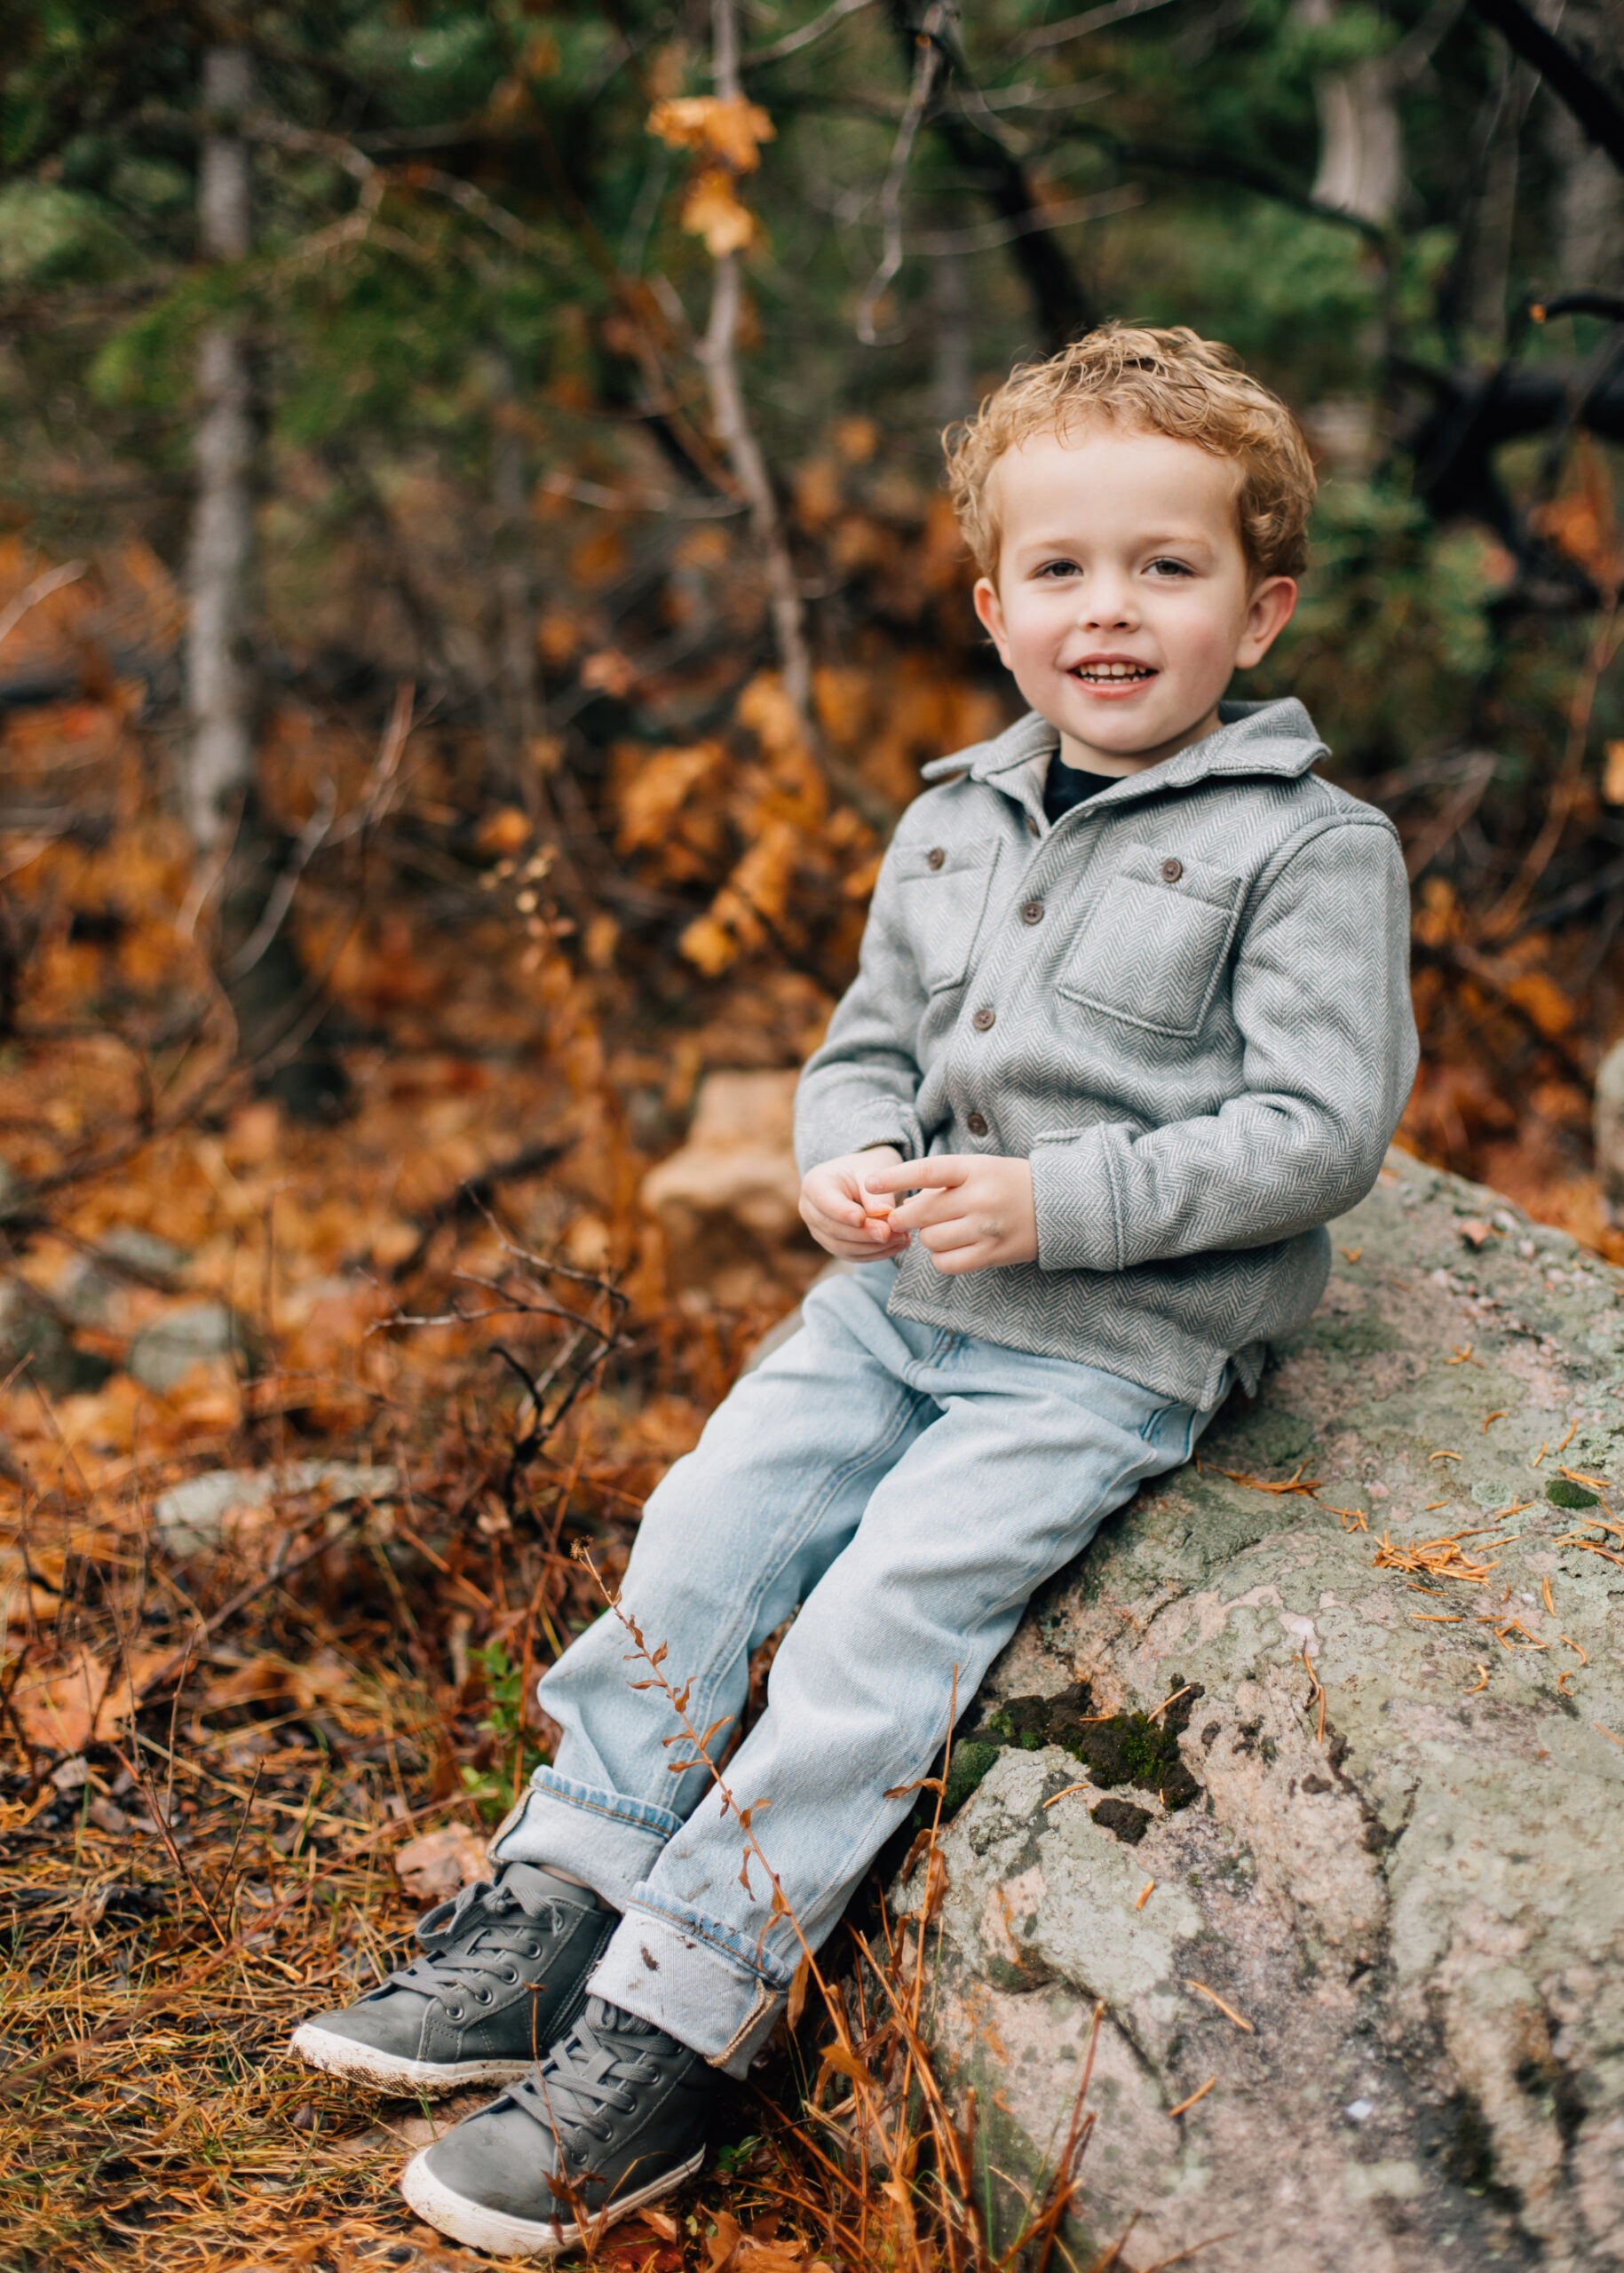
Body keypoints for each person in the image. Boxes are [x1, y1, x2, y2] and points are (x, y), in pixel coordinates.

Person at [290, 323, 1418, 2257]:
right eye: (1062, 570)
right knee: (707, 1533)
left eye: (1170, 566)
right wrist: (843, 1152)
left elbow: (1320, 1131)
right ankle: (563, 1897)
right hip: (892, 1308)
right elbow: (868, 1046)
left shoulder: (1310, 847)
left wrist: (1062, 1200)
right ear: (994, 604)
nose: (1112, 611)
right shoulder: (954, 812)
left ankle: (679, 2018)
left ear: (1264, 601)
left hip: (1103, 1349)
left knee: (877, 1626)